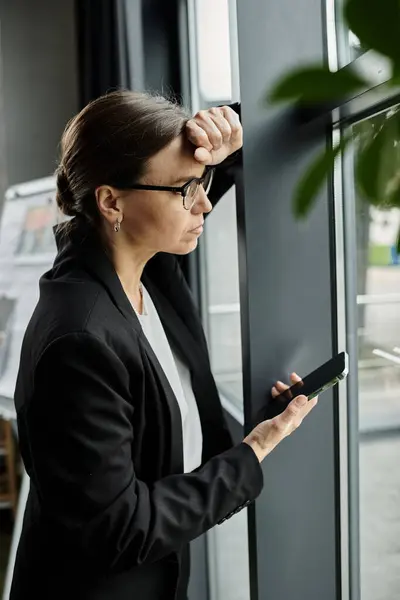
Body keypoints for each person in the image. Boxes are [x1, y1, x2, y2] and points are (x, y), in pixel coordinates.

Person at [10, 91, 318, 600]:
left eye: (205, 183)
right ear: (111, 202)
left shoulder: (148, 273)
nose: (202, 203)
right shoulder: (80, 339)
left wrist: (218, 131)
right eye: (184, 190)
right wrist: (256, 449)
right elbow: (120, 527)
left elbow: (203, 163)